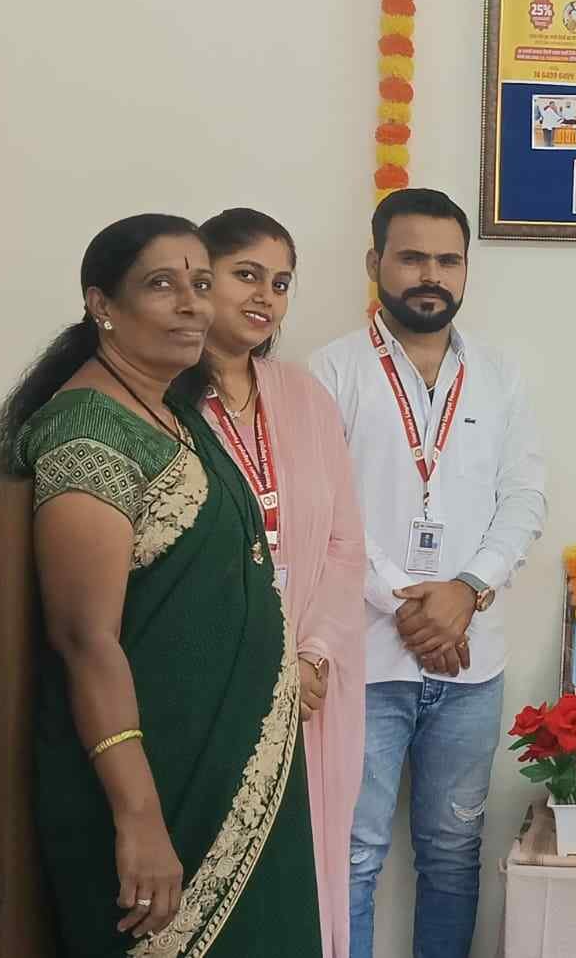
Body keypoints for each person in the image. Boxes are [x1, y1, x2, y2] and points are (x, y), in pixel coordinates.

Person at [0, 214, 321, 956]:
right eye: (163, 285)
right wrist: (138, 818)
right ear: (102, 304)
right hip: (153, 786)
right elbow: (85, 640)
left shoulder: (172, 414)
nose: (193, 304)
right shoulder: (87, 435)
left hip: (236, 768)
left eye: (202, 284)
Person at [311, 189, 547, 958]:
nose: (431, 275)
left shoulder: (500, 374)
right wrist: (411, 606)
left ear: (466, 268)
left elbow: (524, 498)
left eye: (448, 260)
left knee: (452, 854)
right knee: (352, 855)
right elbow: (326, 511)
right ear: (374, 262)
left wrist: (466, 591)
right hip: (363, 660)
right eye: (412, 257)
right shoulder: (330, 371)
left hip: (472, 666)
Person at [198, 208, 367, 958]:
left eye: (281, 282)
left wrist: (313, 653)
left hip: (310, 682)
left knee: (308, 862)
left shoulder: (303, 396)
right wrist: (263, 666)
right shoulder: (161, 398)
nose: (265, 296)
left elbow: (344, 544)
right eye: (247, 275)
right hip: (214, 679)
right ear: (200, 279)